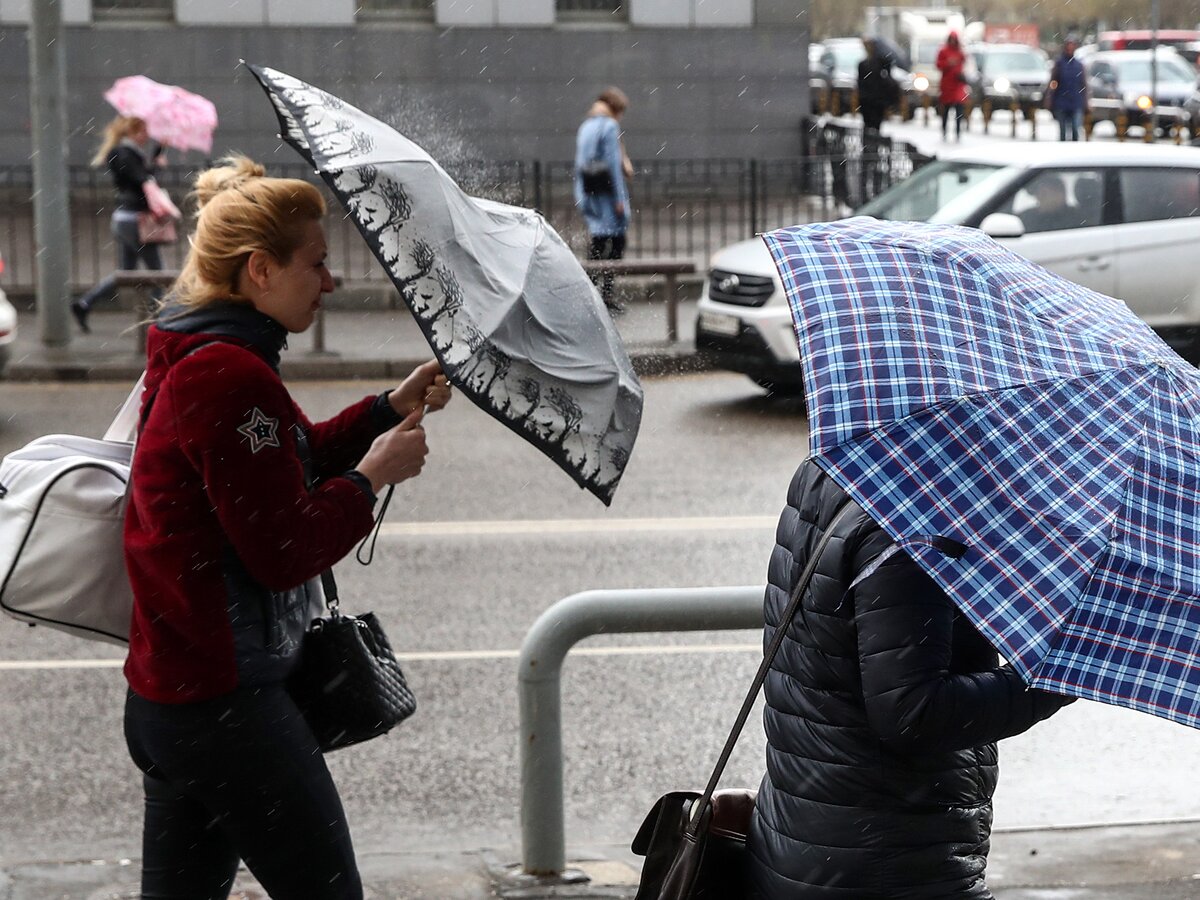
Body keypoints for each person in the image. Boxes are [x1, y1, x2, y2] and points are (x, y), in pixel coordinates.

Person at [121, 155, 452, 900]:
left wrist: (384, 410)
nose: (330, 282)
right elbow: (282, 549)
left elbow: (284, 460)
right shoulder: (229, 375)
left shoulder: (207, 355)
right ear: (260, 271)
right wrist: (374, 477)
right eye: (318, 263)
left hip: (174, 704)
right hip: (228, 709)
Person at [746, 460, 1074, 898]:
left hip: (813, 833)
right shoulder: (916, 524)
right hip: (888, 857)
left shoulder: (832, 470)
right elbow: (914, 713)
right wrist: (1057, 674)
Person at [71, 115, 168, 333]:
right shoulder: (125, 154)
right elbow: (143, 181)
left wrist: (158, 153)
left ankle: (85, 303)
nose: (146, 135)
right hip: (134, 220)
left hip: (125, 218)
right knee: (159, 275)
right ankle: (158, 324)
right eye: (142, 131)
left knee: (126, 273)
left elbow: (141, 177)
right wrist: (157, 166)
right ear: (131, 132)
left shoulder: (124, 153)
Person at [574, 86, 631, 313]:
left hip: (588, 193)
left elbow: (581, 164)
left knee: (597, 244)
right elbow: (614, 166)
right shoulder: (609, 127)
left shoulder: (586, 126)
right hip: (607, 196)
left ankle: (589, 295)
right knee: (616, 243)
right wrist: (620, 199)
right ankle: (606, 295)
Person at [1048, 37, 1087, 141]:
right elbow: (1053, 82)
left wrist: (1086, 102)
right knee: (1062, 130)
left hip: (1075, 101)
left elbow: (1083, 84)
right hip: (1061, 101)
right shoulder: (1059, 64)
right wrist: (1050, 99)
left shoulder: (1079, 65)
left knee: (1075, 128)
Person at [857, 38, 898, 133]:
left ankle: (871, 142)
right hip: (869, 99)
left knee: (874, 124)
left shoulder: (879, 62)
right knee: (869, 125)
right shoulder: (863, 64)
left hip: (875, 99)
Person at [936, 31, 971, 140]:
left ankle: (958, 132)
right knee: (946, 111)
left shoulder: (960, 52)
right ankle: (944, 131)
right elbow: (938, 64)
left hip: (957, 85)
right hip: (947, 85)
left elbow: (967, 63)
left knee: (959, 110)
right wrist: (948, 63)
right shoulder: (943, 51)